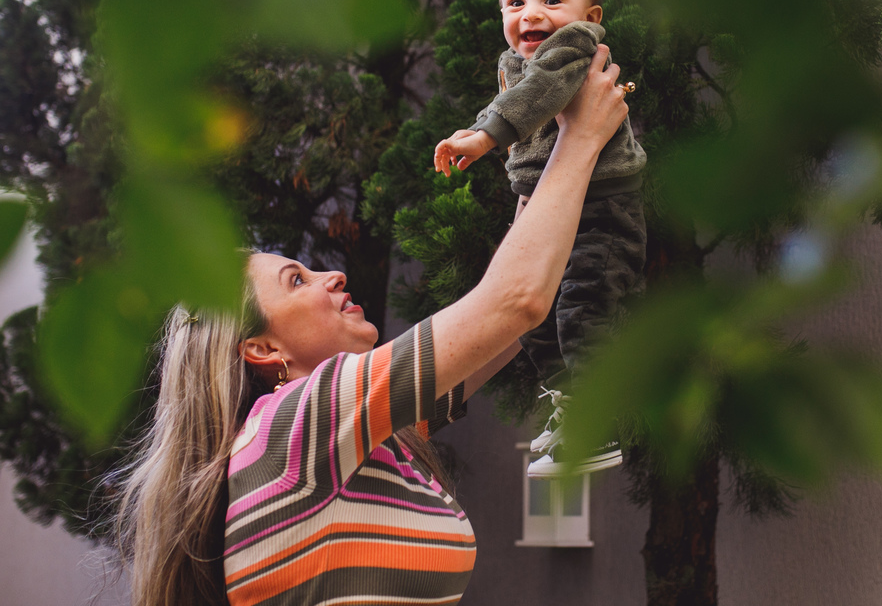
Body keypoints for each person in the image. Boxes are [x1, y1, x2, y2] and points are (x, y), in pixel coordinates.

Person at [107, 47, 630, 606]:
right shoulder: (296, 425)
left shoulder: (363, 439)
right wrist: (580, 139)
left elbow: (504, 323)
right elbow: (515, 302)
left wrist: (540, 142)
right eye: (296, 281)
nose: (331, 275)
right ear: (260, 347)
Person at [433, 0, 647, 478]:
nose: (532, 14)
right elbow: (512, 99)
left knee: (582, 310)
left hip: (602, 210)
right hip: (550, 206)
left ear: (588, 13)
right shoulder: (516, 59)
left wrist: (484, 140)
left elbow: (538, 95)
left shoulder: (575, 47)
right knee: (532, 319)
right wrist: (478, 127)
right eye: (516, 2)